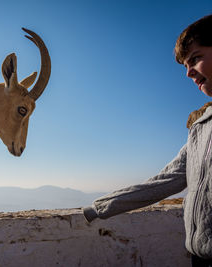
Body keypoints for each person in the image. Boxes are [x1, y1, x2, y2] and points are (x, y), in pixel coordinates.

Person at [83, 14, 212, 266]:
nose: (188, 73)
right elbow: (165, 180)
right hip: (200, 256)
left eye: (195, 59)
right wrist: (101, 207)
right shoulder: (200, 128)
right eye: (185, 65)